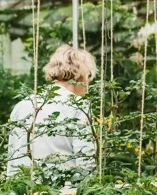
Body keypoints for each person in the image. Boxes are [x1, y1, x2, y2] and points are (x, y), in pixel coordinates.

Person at [6, 44, 97, 179]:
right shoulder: (79, 105)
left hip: (23, 193)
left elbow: (13, 158)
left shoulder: (23, 105)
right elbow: (86, 160)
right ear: (83, 75)